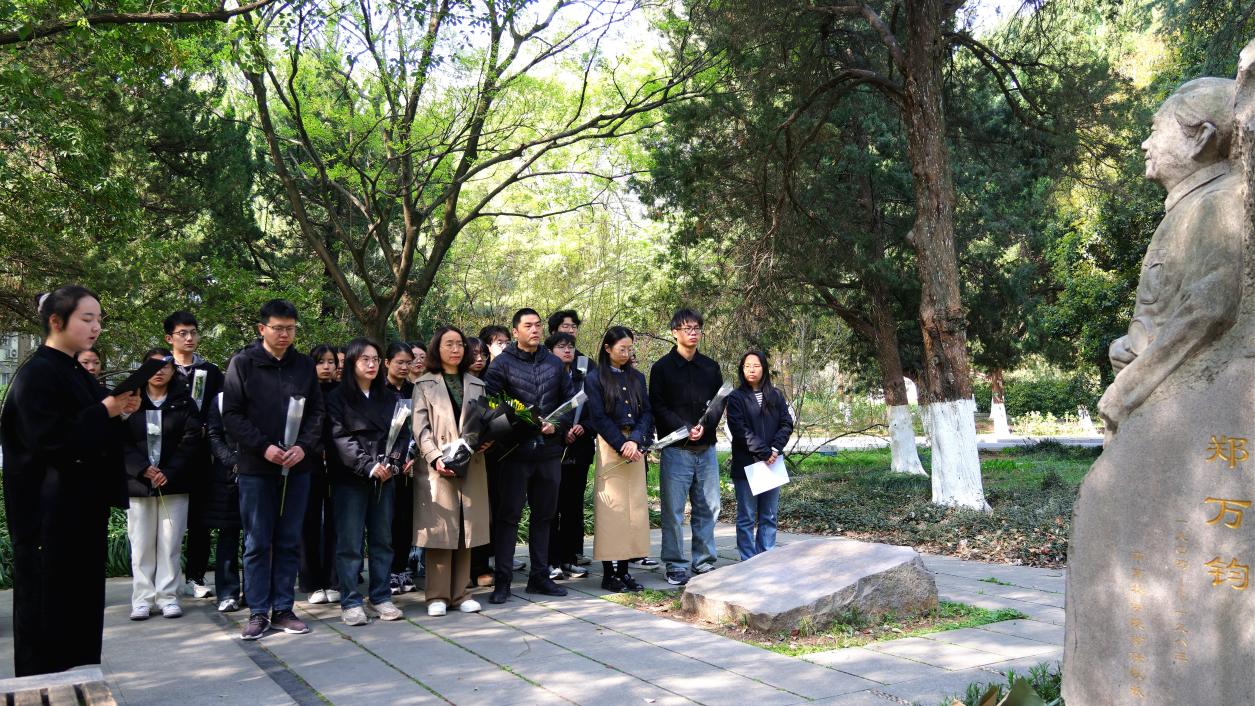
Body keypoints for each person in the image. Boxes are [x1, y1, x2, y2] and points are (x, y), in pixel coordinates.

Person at [1, 285, 140, 676]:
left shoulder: (73, 369)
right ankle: (47, 690)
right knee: (48, 614)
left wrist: (120, 411)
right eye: (87, 319)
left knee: (80, 609)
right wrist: (105, 411)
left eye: (99, 320)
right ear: (56, 321)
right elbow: (50, 440)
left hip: (79, 511)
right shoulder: (37, 374)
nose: (96, 327)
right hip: (48, 518)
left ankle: (80, 683)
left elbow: (93, 429)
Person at [222, 299, 325, 640]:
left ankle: (283, 608)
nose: (284, 335)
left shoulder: (304, 365)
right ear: (262, 328)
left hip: (297, 466)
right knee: (257, 542)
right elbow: (231, 415)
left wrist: (303, 447)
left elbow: (317, 412)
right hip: (256, 467)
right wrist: (263, 447)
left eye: (290, 329)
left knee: (288, 539)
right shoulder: (243, 363)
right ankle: (257, 611)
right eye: (278, 328)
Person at [482, 308, 575, 603]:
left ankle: (539, 577)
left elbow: (569, 402)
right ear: (516, 331)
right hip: (514, 454)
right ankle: (503, 582)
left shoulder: (554, 363)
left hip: (548, 452)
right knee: (508, 518)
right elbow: (489, 405)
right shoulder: (501, 365)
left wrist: (556, 424)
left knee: (544, 516)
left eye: (537, 325)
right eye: (528, 326)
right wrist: (518, 426)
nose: (535, 330)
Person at [326, 338, 407, 625]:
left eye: (375, 359)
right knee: (350, 543)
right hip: (351, 478)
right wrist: (368, 466)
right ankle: (350, 601)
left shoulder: (390, 397)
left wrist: (393, 463)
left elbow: (402, 434)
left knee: (382, 540)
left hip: (385, 478)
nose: (372, 364)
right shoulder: (337, 398)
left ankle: (380, 597)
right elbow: (339, 438)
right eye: (365, 359)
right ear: (352, 363)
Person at [412, 326, 491, 616]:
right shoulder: (424, 384)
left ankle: (461, 593)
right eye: (449, 344)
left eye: (459, 344)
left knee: (465, 529)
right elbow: (420, 429)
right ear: (437, 348)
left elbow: (484, 421)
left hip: (470, 462)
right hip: (438, 466)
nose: (456, 349)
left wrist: (487, 440)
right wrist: (435, 458)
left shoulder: (477, 383)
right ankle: (437, 595)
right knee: (440, 530)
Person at [123, 348, 203, 620]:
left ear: (173, 370)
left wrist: (169, 471)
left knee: (170, 543)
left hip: (174, 482)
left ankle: (168, 597)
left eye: (165, 366)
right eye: (153, 366)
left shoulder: (184, 401)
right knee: (141, 544)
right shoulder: (130, 400)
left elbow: (191, 439)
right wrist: (142, 468)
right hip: (139, 484)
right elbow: (118, 440)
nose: (159, 371)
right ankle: (142, 599)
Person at [649, 308, 724, 586]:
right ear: (674, 333)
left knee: (709, 507)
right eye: (686, 328)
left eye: (696, 328)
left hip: (706, 448)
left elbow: (719, 402)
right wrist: (684, 427)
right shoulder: (661, 368)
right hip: (676, 450)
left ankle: (703, 561)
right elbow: (658, 406)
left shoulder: (710, 367)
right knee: (673, 511)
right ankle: (675, 564)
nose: (693, 333)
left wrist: (707, 426)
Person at [584, 327, 652, 592]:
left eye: (629, 349)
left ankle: (624, 572)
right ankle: (608, 574)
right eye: (621, 349)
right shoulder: (595, 378)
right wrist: (622, 444)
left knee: (634, 510)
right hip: (610, 445)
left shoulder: (637, 377)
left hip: (635, 447)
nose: (626, 353)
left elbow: (646, 413)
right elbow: (598, 417)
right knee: (612, 511)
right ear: (607, 348)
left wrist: (635, 440)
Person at [163, 310, 223, 601]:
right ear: (169, 338)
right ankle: (165, 579)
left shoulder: (210, 372)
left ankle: (195, 577)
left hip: (201, 456)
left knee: (200, 520)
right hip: (168, 457)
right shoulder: (161, 369)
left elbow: (221, 408)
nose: (189, 338)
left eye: (193, 332)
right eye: (182, 333)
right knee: (167, 524)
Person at [725, 351, 793, 560]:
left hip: (772, 463)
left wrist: (775, 449)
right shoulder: (736, 397)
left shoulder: (776, 395)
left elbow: (786, 423)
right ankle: (748, 561)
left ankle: (766, 559)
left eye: (756, 365)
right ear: (742, 369)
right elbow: (740, 430)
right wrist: (764, 452)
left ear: (764, 368)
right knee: (746, 516)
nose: (751, 370)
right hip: (748, 465)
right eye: (747, 366)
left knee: (769, 515)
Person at [471, 323, 518, 583]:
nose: (479, 359)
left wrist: (492, 436)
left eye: (507, 341)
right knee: (477, 511)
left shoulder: (501, 376)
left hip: (497, 452)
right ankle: (474, 564)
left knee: (497, 508)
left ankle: (495, 559)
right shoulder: (460, 382)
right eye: (498, 342)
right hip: (470, 455)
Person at [544, 331, 591, 579]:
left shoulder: (583, 377)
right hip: (552, 449)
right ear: (550, 351)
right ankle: (550, 561)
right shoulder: (545, 376)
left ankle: (569, 558)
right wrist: (562, 432)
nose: (567, 350)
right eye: (561, 346)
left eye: (571, 346)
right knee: (551, 508)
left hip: (579, 450)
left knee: (573, 507)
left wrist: (585, 427)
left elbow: (597, 411)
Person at [300, 343, 340, 605]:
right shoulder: (303, 392)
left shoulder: (342, 392)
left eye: (331, 361)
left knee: (337, 522)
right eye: (321, 361)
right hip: (309, 462)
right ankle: (312, 583)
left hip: (339, 462)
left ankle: (334, 580)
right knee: (309, 522)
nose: (327, 366)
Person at [205, 361, 245, 612]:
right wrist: (232, 461)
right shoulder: (219, 400)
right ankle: (227, 593)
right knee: (228, 536)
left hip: (258, 473)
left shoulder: (263, 397)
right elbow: (214, 435)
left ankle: (254, 591)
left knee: (256, 538)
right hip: (226, 478)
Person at [382, 342, 419, 594]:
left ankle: (400, 568)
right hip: (384, 466)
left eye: (408, 362)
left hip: (409, 465)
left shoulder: (415, 390)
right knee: (386, 520)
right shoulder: (378, 390)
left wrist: (413, 455)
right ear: (387, 363)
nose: (405, 367)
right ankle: (386, 571)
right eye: (399, 362)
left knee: (406, 518)